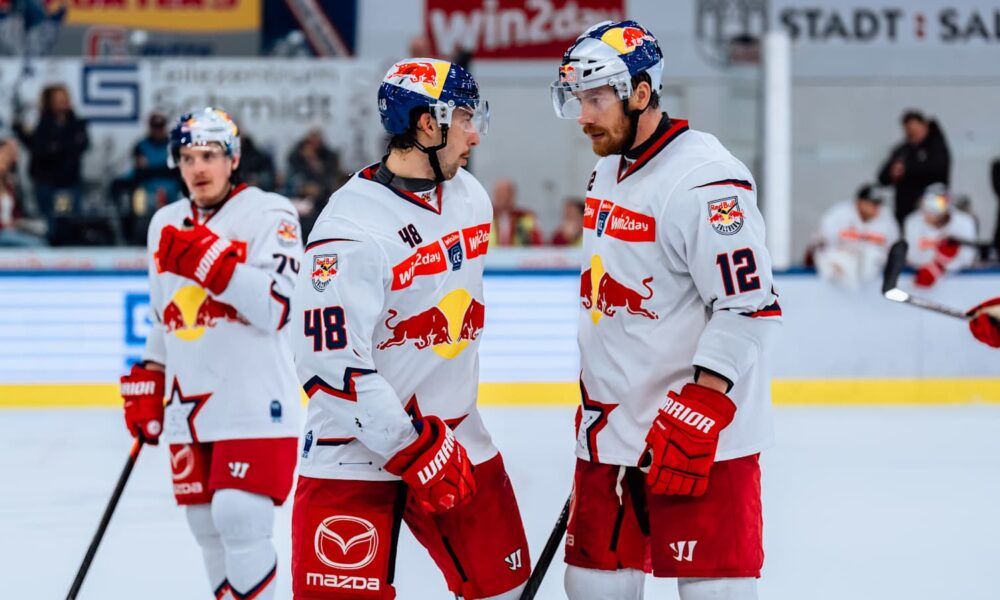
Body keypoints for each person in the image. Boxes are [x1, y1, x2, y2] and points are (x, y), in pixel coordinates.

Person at [551, 20, 781, 600]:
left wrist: (701, 407)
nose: (584, 115)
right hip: (610, 441)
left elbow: (747, 305)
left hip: (700, 446)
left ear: (642, 93)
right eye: (579, 98)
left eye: (597, 98)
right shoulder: (608, 167)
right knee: (589, 589)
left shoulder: (707, 181)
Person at [289, 58, 530, 599]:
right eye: (465, 117)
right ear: (427, 125)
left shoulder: (471, 198)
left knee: (505, 591)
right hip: (352, 451)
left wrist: (435, 442)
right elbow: (328, 367)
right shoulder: (348, 230)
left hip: (457, 439)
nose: (474, 133)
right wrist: (409, 446)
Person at [118, 108, 302, 600]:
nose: (198, 167)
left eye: (210, 155)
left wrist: (210, 263)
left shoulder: (270, 213)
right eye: (186, 157)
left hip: (254, 400)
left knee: (240, 515)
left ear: (233, 158)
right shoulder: (164, 223)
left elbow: (277, 306)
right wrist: (150, 378)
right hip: (188, 404)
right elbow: (164, 316)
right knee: (205, 524)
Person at [13, 84, 89, 244]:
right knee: (48, 222)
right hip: (47, 182)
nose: (63, 102)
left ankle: (66, 252)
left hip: (67, 183)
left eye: (64, 98)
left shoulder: (75, 123)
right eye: (58, 99)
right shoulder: (42, 123)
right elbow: (39, 147)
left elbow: (81, 145)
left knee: (66, 220)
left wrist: (57, 147)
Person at [812, 184, 899, 288]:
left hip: (871, 272)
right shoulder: (839, 213)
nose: (876, 207)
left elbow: (894, 248)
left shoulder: (886, 219)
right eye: (872, 203)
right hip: (839, 263)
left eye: (878, 204)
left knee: (871, 257)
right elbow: (821, 243)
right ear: (860, 202)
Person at [877, 110, 950, 227]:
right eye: (909, 132)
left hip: (935, 206)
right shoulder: (902, 150)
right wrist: (892, 173)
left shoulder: (937, 148)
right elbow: (882, 178)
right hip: (906, 209)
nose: (912, 134)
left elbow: (938, 168)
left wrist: (908, 169)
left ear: (924, 126)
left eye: (915, 130)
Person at [903, 185, 976, 287]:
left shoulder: (965, 222)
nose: (931, 210)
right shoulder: (912, 221)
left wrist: (938, 267)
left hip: (956, 281)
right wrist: (935, 264)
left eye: (938, 203)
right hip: (920, 278)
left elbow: (967, 257)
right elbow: (912, 255)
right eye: (927, 203)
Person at [0, 138, 45, 247]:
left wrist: (20, 223)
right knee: (37, 245)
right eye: (9, 153)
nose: (14, 159)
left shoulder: (10, 183)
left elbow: (15, 213)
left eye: (14, 155)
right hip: (4, 232)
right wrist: (5, 225)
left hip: (11, 231)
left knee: (42, 236)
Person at [491, 178, 542, 246]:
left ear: (512, 195)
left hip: (519, 256)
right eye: (499, 193)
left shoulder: (526, 217)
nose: (502, 198)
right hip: (490, 256)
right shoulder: (486, 217)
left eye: (506, 193)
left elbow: (538, 244)